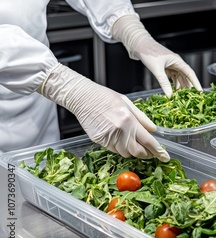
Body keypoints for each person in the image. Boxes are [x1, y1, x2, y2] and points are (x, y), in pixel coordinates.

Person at [0, 0, 202, 161]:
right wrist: (63, 84)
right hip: (30, 83)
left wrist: (132, 31)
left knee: (38, 181)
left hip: (37, 109)